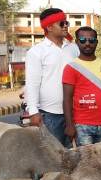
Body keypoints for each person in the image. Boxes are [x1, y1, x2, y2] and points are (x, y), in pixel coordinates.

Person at [25, 8, 79, 146]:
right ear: (49, 27)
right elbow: (32, 83)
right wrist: (33, 112)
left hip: (76, 112)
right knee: (53, 160)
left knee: (77, 157)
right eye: (61, 23)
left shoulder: (74, 49)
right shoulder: (36, 52)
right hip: (50, 115)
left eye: (66, 22)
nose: (66, 26)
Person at [62, 27, 101, 146]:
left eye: (91, 40)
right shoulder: (71, 67)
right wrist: (69, 125)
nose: (87, 43)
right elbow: (67, 98)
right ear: (77, 42)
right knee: (87, 163)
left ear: (96, 42)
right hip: (82, 126)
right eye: (83, 40)